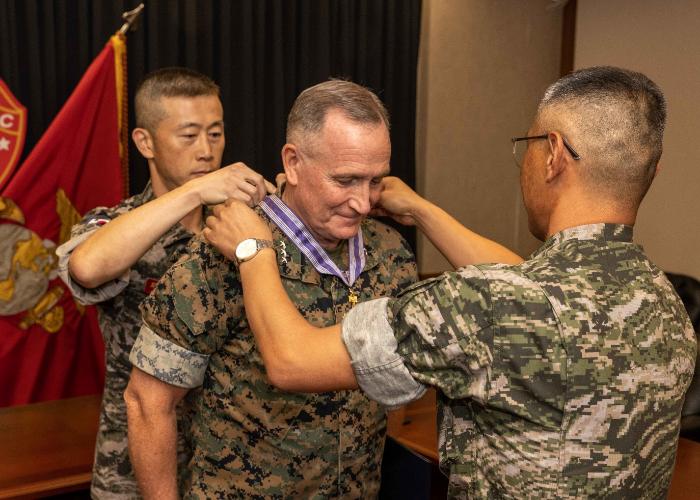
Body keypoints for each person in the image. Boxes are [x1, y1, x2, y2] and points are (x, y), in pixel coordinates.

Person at [204, 66, 697, 498]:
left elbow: (293, 361)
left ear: (552, 156)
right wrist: (420, 209)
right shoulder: (661, 300)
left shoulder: (485, 307)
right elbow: (526, 278)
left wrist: (253, 250)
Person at [126, 80, 426, 499]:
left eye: (376, 181)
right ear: (294, 161)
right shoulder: (225, 250)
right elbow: (147, 401)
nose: (362, 202)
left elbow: (391, 394)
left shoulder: (389, 252)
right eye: (345, 180)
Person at [56, 67, 273, 499]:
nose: (206, 152)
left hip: (232, 465)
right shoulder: (119, 224)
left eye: (215, 134)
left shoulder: (243, 225)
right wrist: (195, 193)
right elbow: (87, 267)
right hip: (133, 468)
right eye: (188, 136)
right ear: (145, 142)